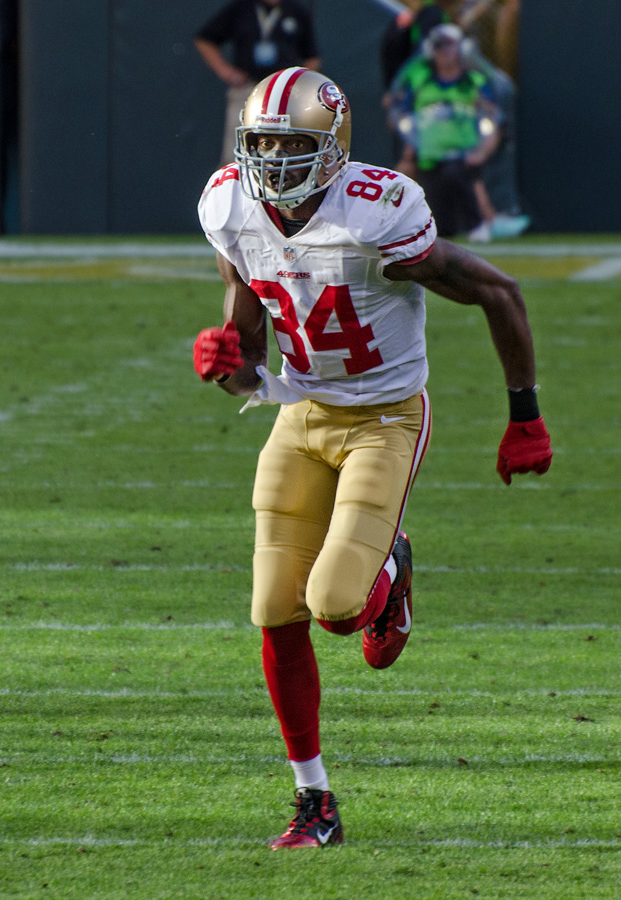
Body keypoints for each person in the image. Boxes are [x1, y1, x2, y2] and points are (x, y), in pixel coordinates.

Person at [194, 66, 552, 849]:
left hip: (383, 418)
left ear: (333, 149)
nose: (274, 163)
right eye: (262, 145)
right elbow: (249, 352)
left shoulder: (377, 214)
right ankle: (314, 801)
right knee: (272, 610)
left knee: (336, 606)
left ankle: (390, 564)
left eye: (294, 146)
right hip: (299, 416)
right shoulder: (230, 205)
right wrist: (229, 365)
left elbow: (498, 291)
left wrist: (523, 415)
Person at [388, 23, 527, 240]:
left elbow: (493, 119)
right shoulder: (419, 80)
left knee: (456, 175)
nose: (444, 53)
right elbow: (400, 115)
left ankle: (478, 224)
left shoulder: (475, 82)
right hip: (428, 154)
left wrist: (482, 150)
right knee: (439, 215)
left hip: (464, 153)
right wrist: (411, 146)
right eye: (439, 47)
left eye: (449, 46)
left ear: (461, 49)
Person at [194, 0, 320, 167]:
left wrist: (298, 86)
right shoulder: (241, 8)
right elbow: (205, 39)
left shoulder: (296, 10)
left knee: (285, 148)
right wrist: (225, 71)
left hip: (285, 94)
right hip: (247, 89)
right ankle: (235, 187)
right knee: (236, 149)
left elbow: (312, 56)